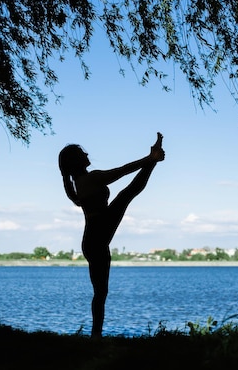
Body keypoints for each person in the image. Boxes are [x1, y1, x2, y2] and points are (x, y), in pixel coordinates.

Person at [58, 133, 165, 337]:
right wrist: (150, 159)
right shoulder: (91, 178)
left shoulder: (79, 183)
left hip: (94, 237)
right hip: (97, 234)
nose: (87, 153)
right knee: (128, 193)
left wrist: (151, 159)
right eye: (82, 153)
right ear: (76, 160)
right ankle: (95, 335)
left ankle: (96, 334)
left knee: (101, 293)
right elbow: (123, 171)